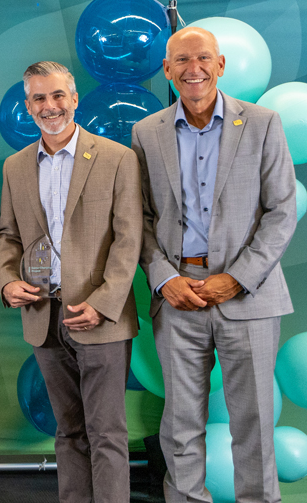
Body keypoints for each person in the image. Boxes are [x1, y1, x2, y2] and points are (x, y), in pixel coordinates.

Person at [132, 26, 296, 503]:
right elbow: (138, 218)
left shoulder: (263, 123)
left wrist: (237, 278)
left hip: (250, 295)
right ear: (167, 70)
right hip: (178, 295)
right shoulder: (147, 132)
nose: (193, 68)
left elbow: (283, 210)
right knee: (181, 427)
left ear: (220, 65)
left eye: (203, 58)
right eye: (181, 60)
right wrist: (164, 279)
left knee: (255, 424)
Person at [0, 61, 141, 503]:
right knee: (68, 431)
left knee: (107, 432)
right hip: (43, 313)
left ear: (74, 99)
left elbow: (129, 238)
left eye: (58, 95)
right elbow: (8, 235)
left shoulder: (117, 158)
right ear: (28, 106)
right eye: (39, 98)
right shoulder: (16, 166)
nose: (50, 106)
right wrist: (6, 281)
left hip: (100, 317)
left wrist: (103, 302)